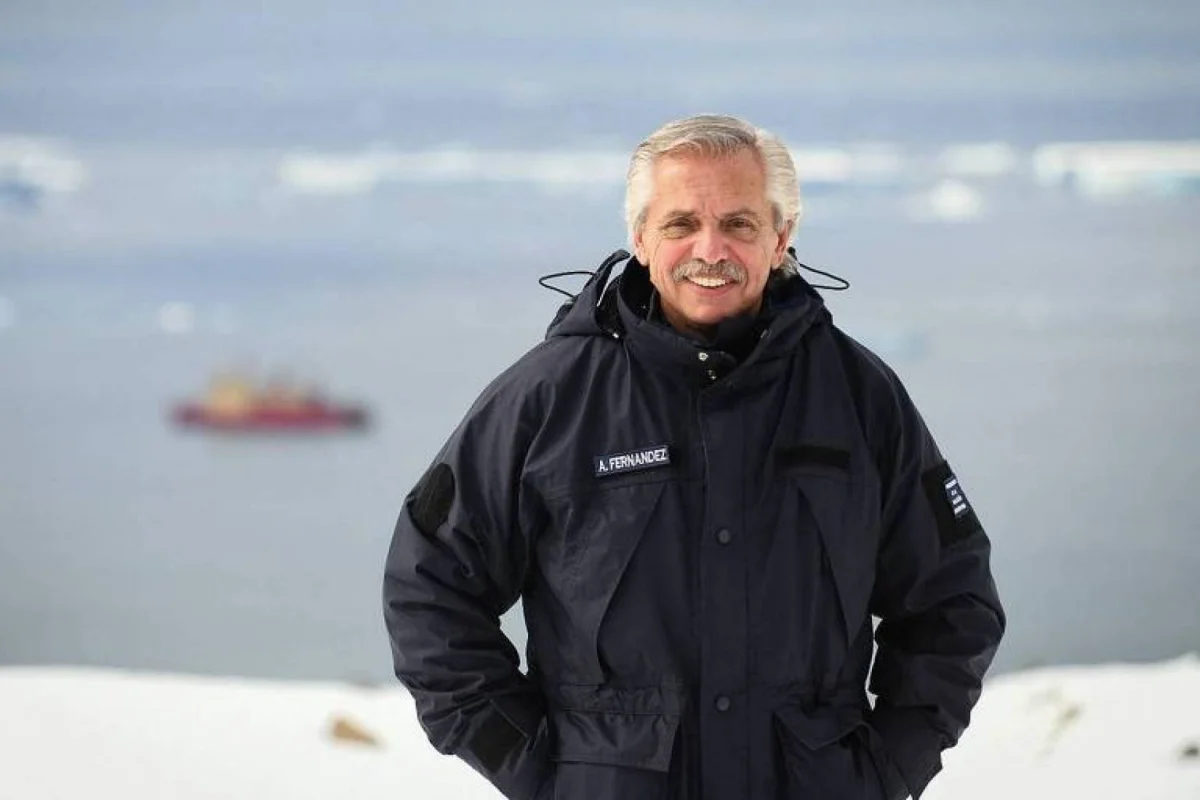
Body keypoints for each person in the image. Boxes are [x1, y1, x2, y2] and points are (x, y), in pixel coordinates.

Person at [382, 114, 1005, 800]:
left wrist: (886, 771)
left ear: (780, 237)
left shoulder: (859, 396)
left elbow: (953, 600)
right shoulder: (548, 398)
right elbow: (429, 588)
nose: (711, 249)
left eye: (738, 224)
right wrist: (539, 771)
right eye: (681, 224)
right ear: (640, 238)